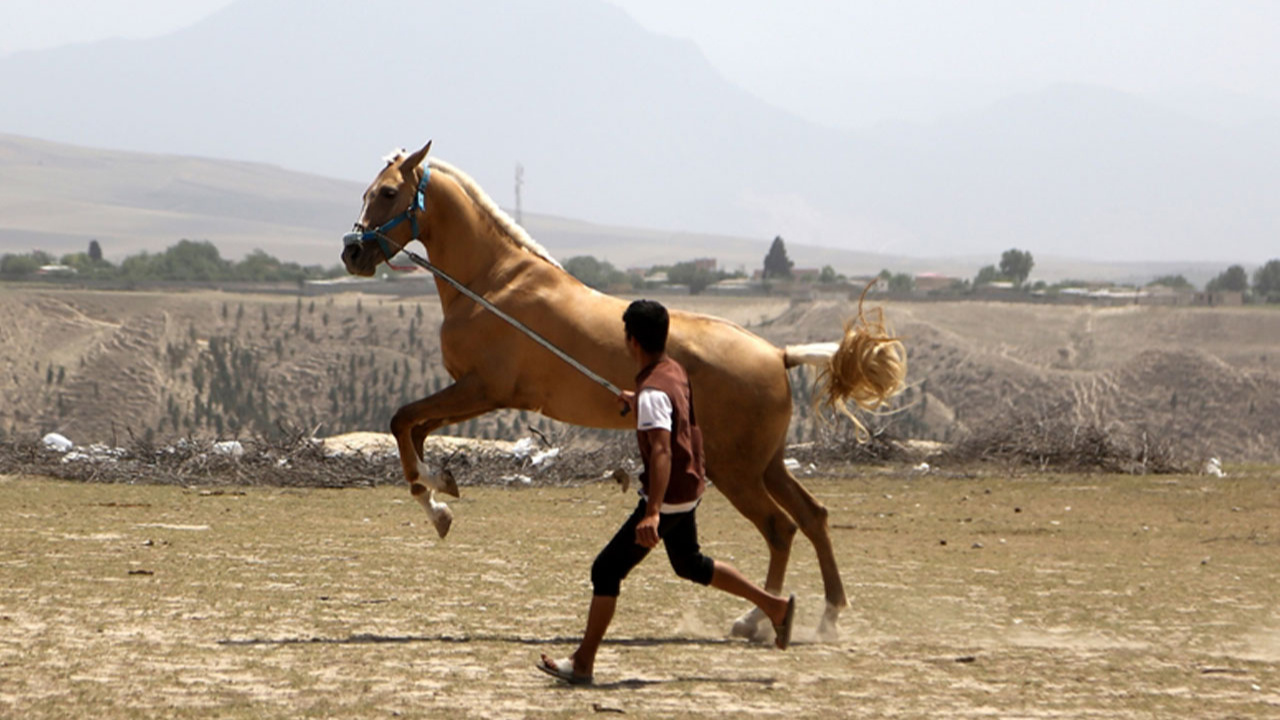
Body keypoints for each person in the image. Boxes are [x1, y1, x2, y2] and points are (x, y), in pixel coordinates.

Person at [538, 299, 796, 685]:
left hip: (670, 495)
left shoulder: (654, 391)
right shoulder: (670, 369)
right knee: (689, 563)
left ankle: (583, 663)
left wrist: (653, 512)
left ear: (632, 341)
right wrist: (637, 398)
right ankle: (775, 606)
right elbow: (668, 405)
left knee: (605, 570)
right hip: (690, 483)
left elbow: (660, 449)